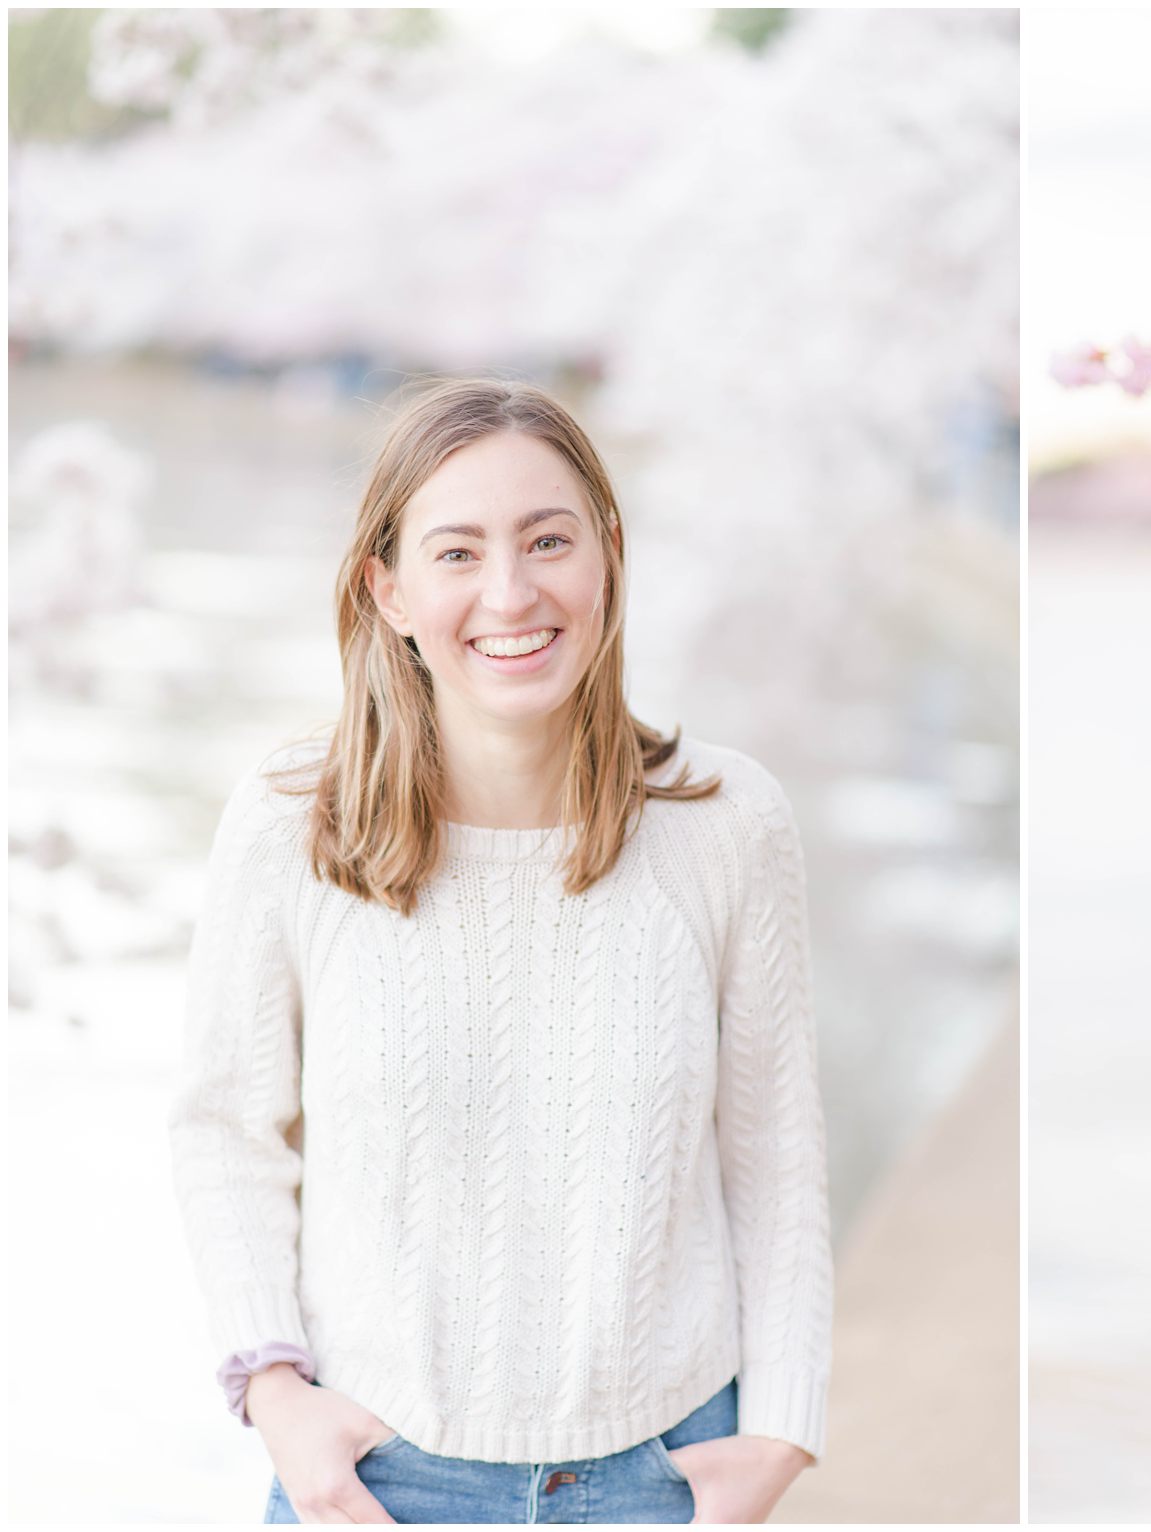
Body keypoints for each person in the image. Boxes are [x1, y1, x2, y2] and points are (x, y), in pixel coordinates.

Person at [167, 378, 832, 1524]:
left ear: (609, 555)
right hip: (375, 1475)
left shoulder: (726, 822)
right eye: (458, 551)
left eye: (548, 540)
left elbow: (772, 1153)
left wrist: (780, 1427)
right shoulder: (292, 826)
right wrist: (275, 1394)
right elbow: (224, 1127)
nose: (512, 593)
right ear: (389, 589)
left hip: (661, 1472)